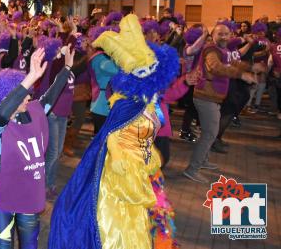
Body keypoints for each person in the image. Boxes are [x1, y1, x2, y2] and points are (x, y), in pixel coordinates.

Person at [49, 14, 181, 249]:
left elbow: (152, 128)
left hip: (141, 167)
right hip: (119, 173)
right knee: (118, 226)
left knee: (145, 221)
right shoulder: (126, 104)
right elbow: (112, 135)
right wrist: (120, 156)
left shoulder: (149, 103)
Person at [0, 46, 74, 249]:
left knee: (29, 245)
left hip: (29, 192)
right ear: (7, 96)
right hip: (3, 194)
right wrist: (29, 78)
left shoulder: (32, 112)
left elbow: (50, 96)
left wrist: (66, 68)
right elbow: (3, 113)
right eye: (24, 94)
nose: (29, 97)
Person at [183, 24, 259, 184]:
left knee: (211, 131)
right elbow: (216, 67)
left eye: (227, 34)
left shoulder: (223, 50)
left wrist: (251, 67)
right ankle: (192, 169)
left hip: (214, 97)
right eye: (220, 34)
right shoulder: (211, 49)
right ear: (213, 35)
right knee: (210, 133)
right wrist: (241, 75)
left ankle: (203, 161)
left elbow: (232, 63)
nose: (224, 37)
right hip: (205, 97)